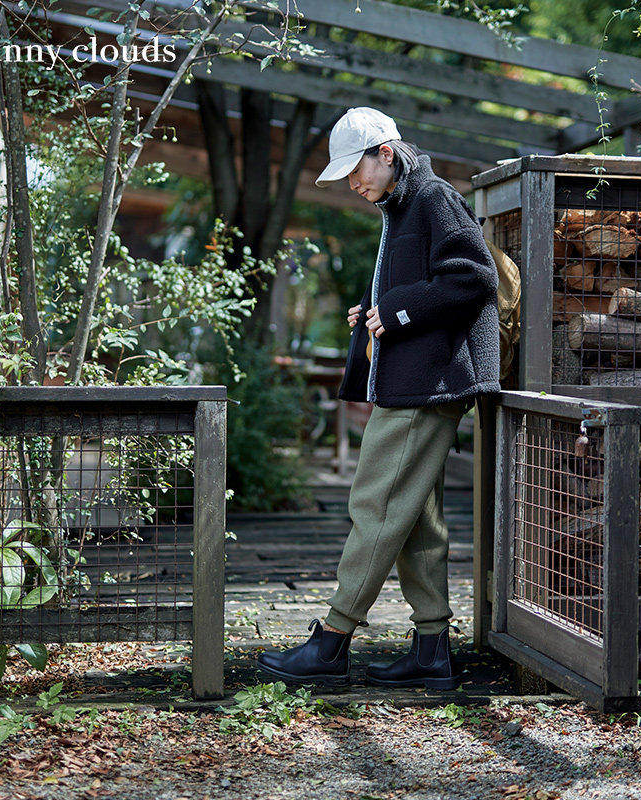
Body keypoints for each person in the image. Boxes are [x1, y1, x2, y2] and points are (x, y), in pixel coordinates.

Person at [258, 107, 500, 689]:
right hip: (420, 377)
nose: (353, 184)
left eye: (357, 170)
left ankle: (333, 641)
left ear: (386, 153)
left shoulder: (433, 197)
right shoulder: (402, 204)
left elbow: (475, 276)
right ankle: (431, 648)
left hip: (430, 383)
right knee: (417, 518)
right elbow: (426, 286)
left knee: (374, 506)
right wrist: (373, 315)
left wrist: (395, 309)